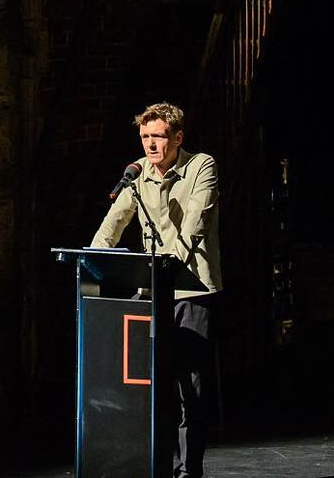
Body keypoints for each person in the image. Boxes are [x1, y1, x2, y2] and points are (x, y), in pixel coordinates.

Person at [90, 102, 221, 478]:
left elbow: (194, 225)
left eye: (158, 136)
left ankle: (189, 471)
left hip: (191, 291)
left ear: (177, 138)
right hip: (151, 292)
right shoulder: (137, 174)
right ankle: (160, 466)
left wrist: (166, 268)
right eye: (145, 136)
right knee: (152, 384)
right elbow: (112, 224)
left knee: (189, 387)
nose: (150, 144)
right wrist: (93, 259)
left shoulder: (201, 166)